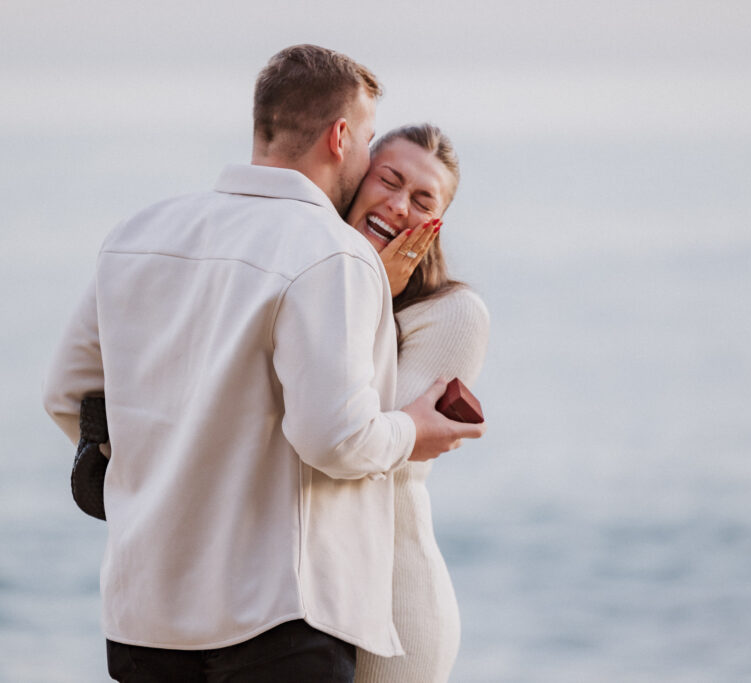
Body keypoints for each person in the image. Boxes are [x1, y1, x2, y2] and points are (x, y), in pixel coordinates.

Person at [41, 45, 485, 682]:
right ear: (340, 138)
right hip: (277, 619)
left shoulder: (138, 231)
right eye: (366, 145)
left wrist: (168, 474)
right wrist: (414, 428)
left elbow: (68, 395)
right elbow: (335, 438)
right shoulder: (333, 254)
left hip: (144, 613)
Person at [345, 124, 489, 683]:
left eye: (423, 199)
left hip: (394, 603)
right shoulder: (307, 284)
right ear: (357, 181)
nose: (399, 206)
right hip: (304, 606)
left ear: (436, 223)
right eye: (389, 180)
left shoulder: (452, 313)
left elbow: (361, 439)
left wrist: (371, 289)